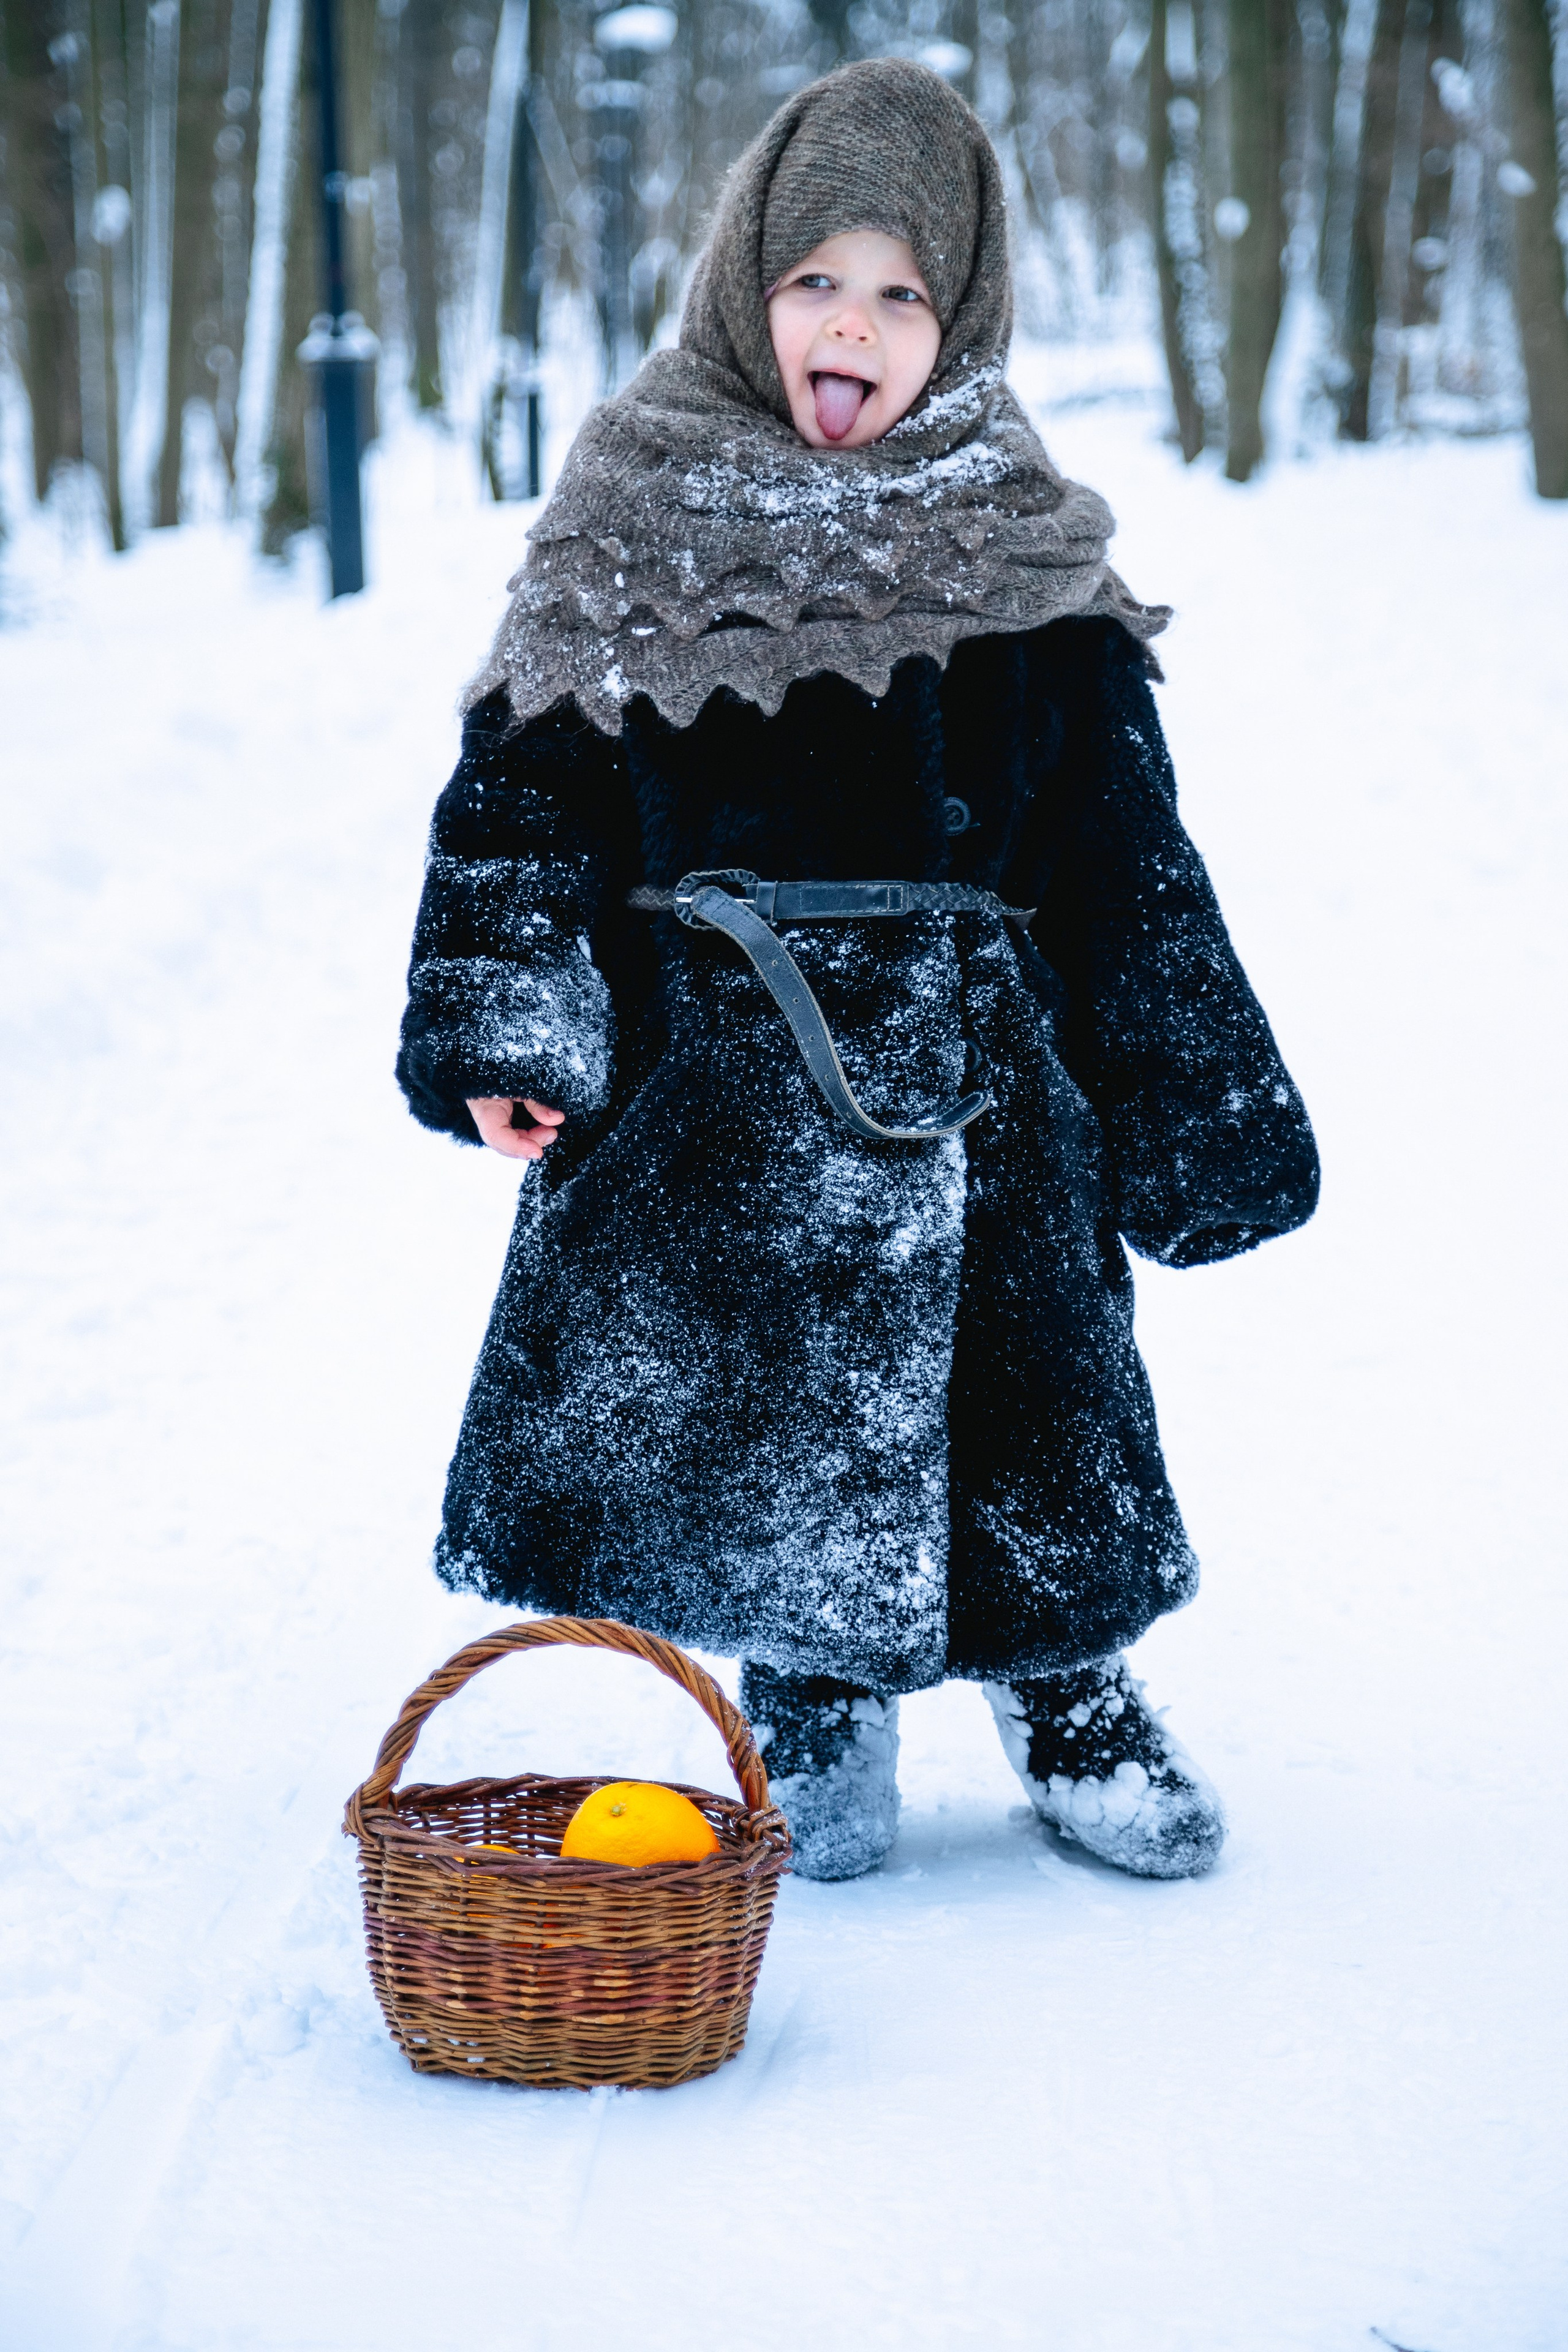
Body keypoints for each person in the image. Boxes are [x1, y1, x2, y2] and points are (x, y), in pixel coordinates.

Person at [396, 59, 1318, 1884]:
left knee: (1039, 1395)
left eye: (903, 293)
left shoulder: (1020, 540)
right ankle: (811, 1697)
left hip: (985, 1079)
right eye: (818, 278)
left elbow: (1126, 859)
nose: (854, 325)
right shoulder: (633, 508)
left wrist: (1196, 1104)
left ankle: (1075, 1682)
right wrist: (510, 1017)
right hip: (717, 1085)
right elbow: (522, 808)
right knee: (773, 1410)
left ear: (960, 315)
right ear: (747, 278)